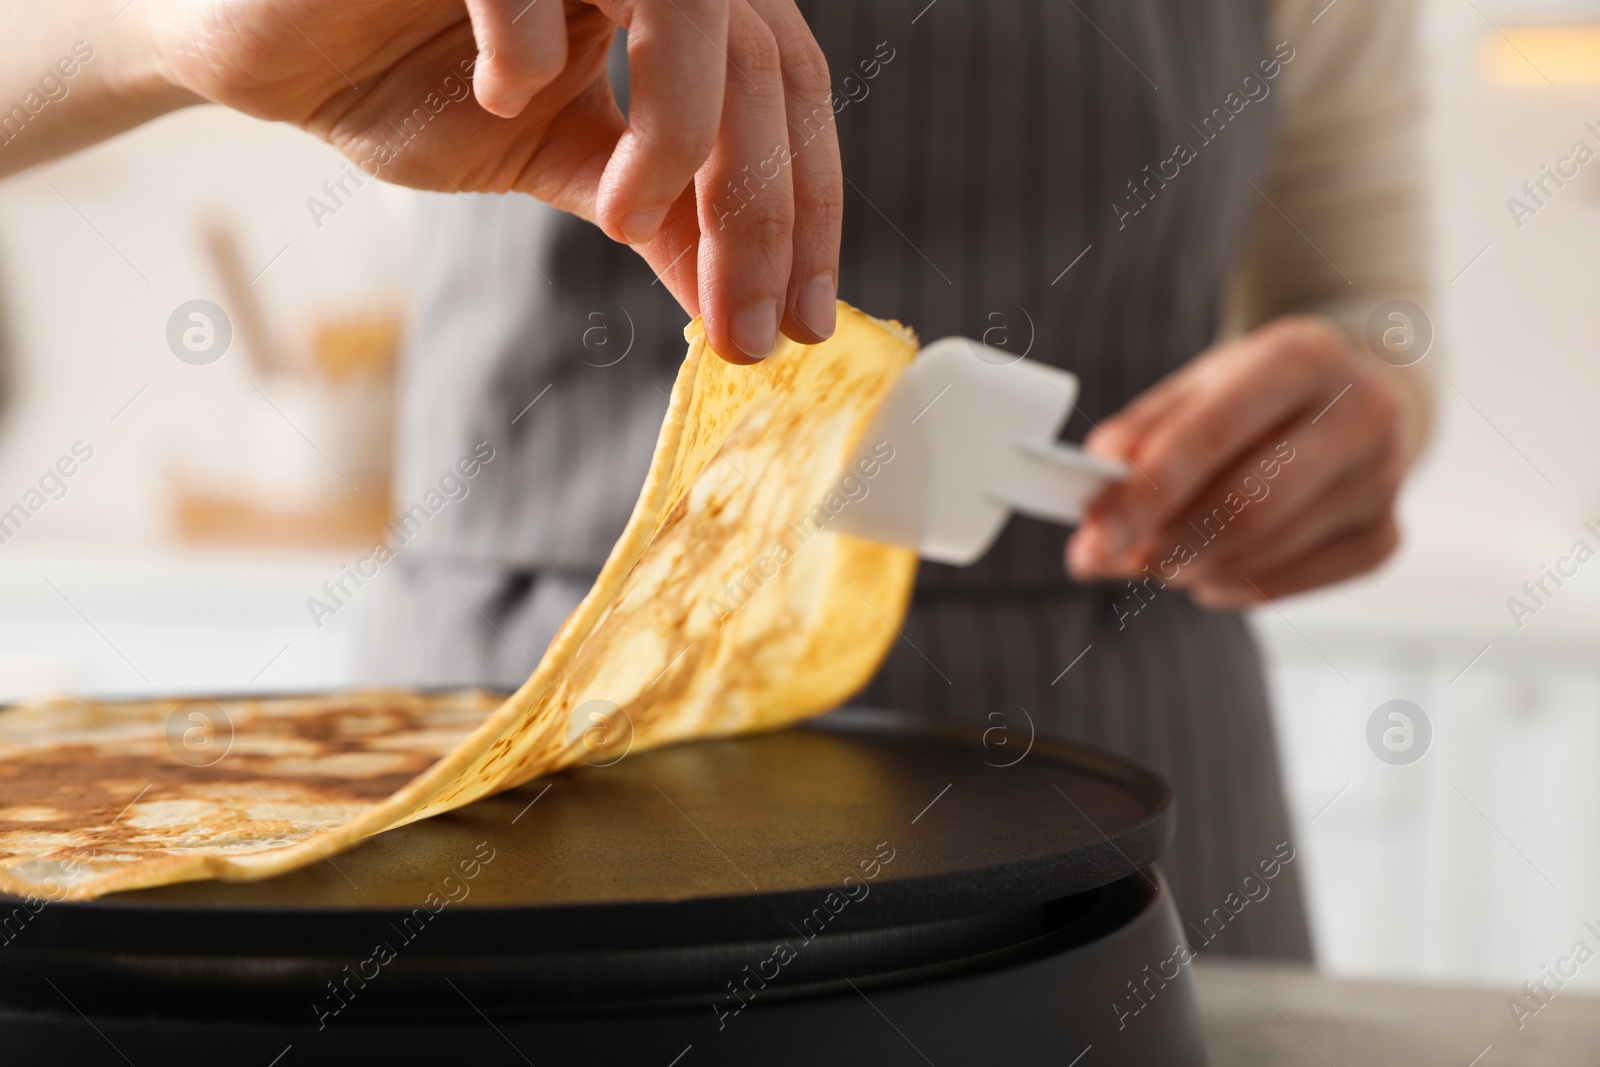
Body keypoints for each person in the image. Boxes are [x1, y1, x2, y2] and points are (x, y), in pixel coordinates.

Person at [5, 0, 1431, 961]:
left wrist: (1377, 394)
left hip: (1116, 709)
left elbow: (1369, 285)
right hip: (535, 722)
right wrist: (156, 29)